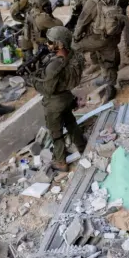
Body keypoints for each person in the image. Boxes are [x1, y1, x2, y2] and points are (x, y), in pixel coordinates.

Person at [26, 27, 87, 171]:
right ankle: (82, 145)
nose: (47, 44)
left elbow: (47, 89)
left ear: (59, 44)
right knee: (71, 122)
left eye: (50, 42)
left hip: (54, 103)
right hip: (67, 97)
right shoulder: (71, 55)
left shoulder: (54, 65)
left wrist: (32, 80)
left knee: (56, 133)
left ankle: (61, 162)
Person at [73, 0, 125, 100]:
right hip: (113, 37)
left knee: (74, 46)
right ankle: (110, 85)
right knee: (109, 59)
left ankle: (75, 75)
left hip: (98, 39)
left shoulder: (92, 2)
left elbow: (81, 22)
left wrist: (76, 37)